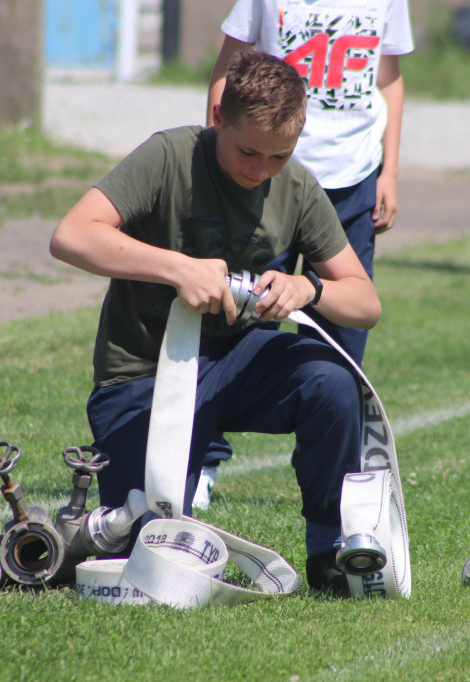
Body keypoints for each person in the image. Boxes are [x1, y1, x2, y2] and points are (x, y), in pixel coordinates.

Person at [49, 50, 381, 595]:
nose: (260, 170)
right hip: (143, 372)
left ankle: (330, 551)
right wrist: (177, 269)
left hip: (238, 366)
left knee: (331, 379)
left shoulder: (295, 185)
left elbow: (366, 302)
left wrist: (309, 288)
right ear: (217, 117)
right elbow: (72, 234)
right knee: (146, 551)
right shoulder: (169, 155)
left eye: (279, 155)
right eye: (248, 151)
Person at [197, 0, 414, 508]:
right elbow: (227, 70)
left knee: (342, 345)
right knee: (236, 321)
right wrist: (215, 159)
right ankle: (200, 460)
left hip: (351, 180)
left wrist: (391, 172)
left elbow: (390, 82)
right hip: (267, 176)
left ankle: (337, 484)